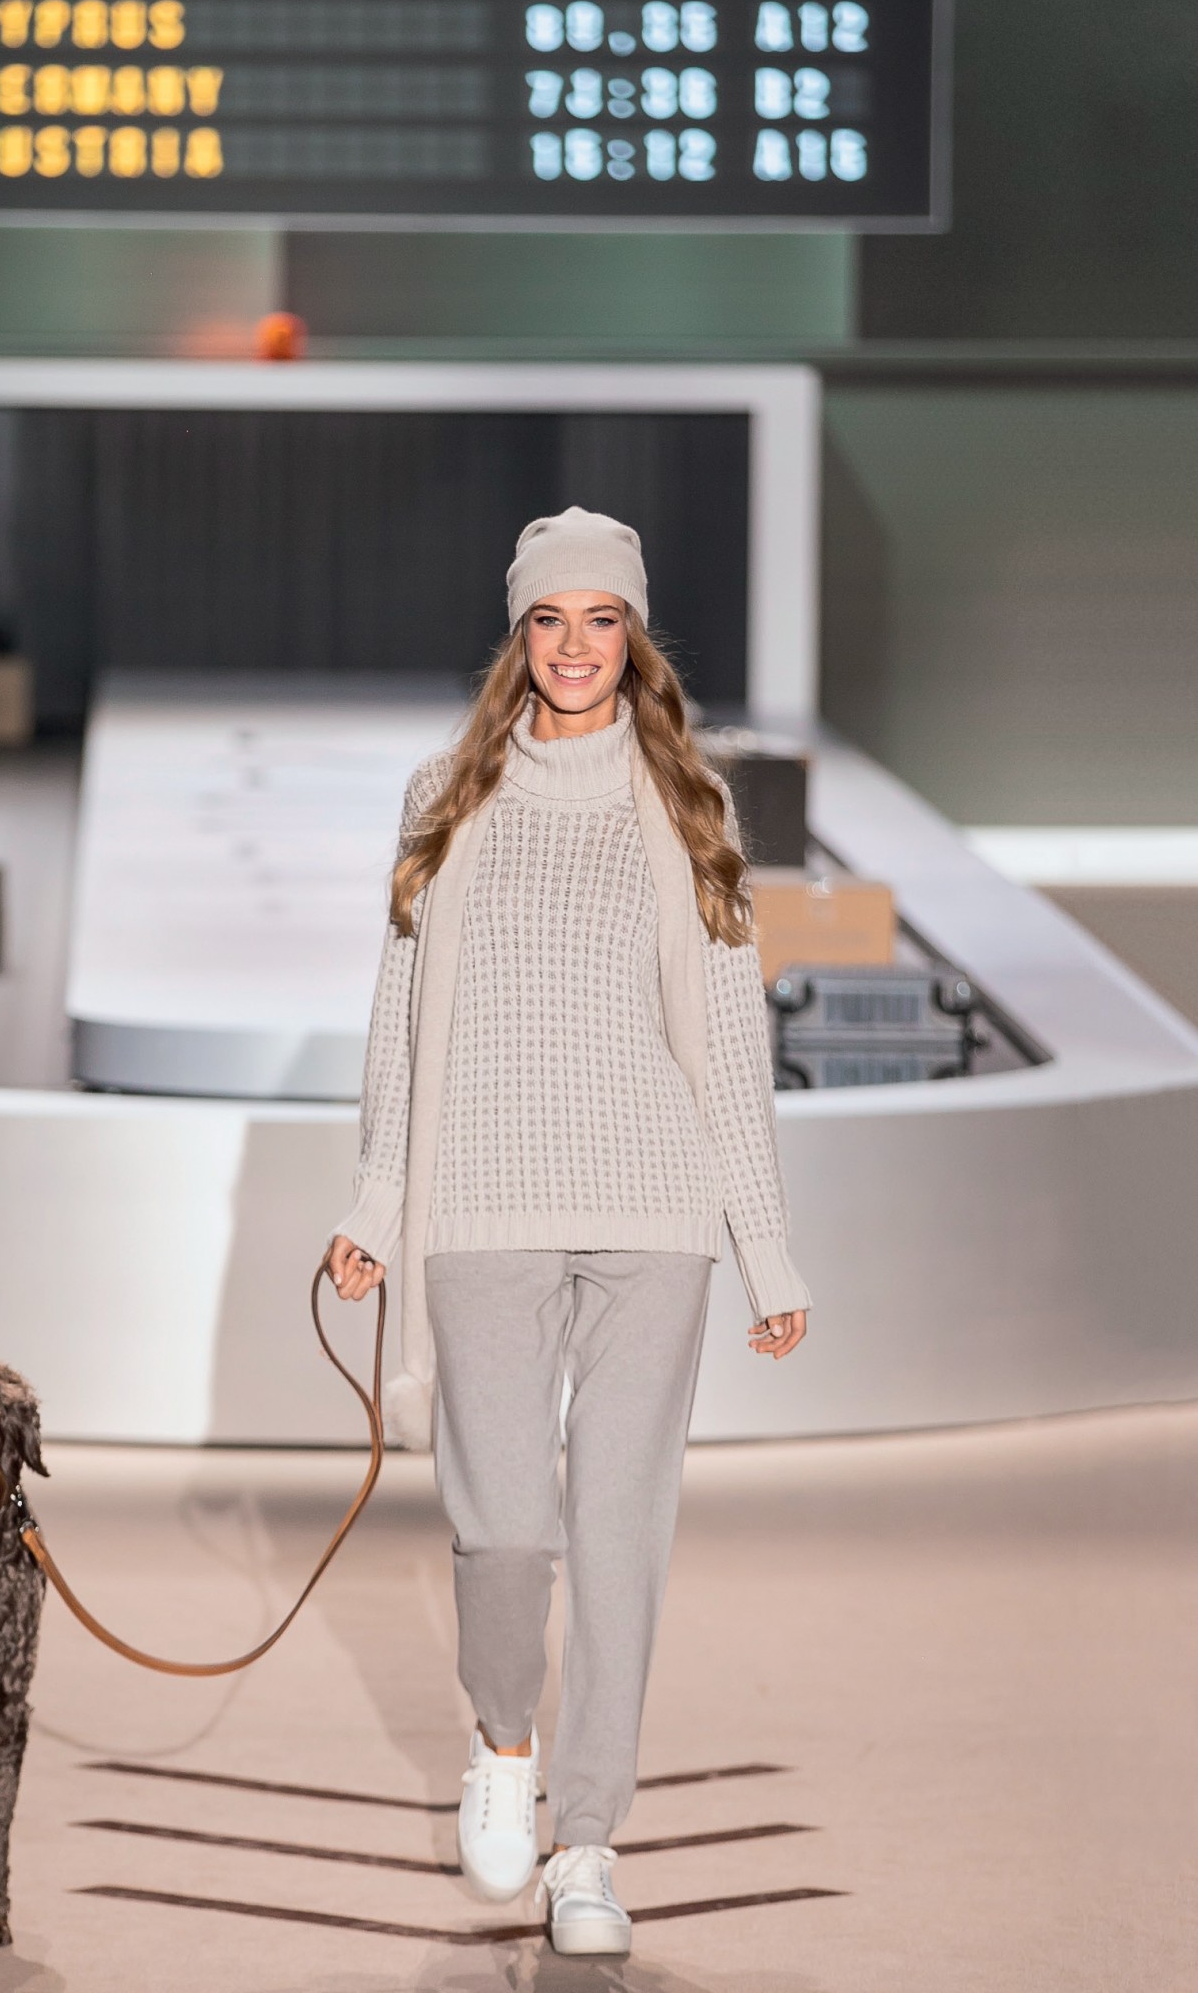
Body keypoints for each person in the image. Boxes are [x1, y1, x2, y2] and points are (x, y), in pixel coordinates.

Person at [323, 507, 811, 1958]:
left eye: (603, 619)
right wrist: (375, 1200)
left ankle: (587, 1842)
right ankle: (503, 1743)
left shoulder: (691, 802)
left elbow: (729, 1045)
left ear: (633, 637)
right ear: (520, 634)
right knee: (500, 1531)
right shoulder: (445, 795)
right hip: (480, 1205)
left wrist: (765, 1250)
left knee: (617, 1539)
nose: (577, 645)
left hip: (654, 1210)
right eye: (551, 618)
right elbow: (398, 1025)